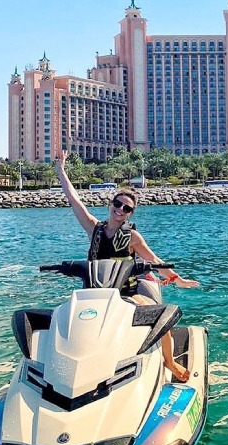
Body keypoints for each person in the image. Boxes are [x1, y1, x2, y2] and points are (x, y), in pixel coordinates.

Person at [55, 150, 198, 382]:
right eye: (118, 204)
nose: (120, 209)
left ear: (131, 213)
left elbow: (154, 260)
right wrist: (61, 169)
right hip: (94, 294)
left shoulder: (132, 237)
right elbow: (74, 200)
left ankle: (169, 362)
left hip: (126, 294)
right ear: (110, 203)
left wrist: (177, 279)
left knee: (160, 318)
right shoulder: (94, 229)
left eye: (127, 208)